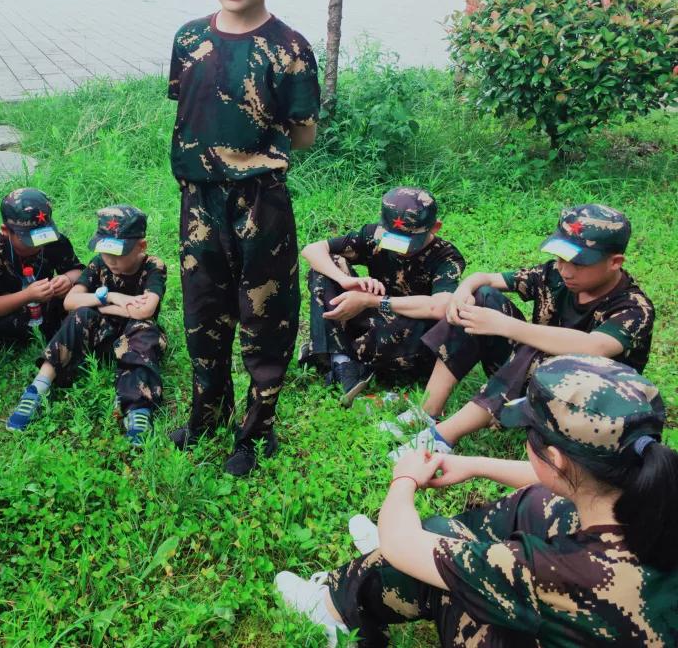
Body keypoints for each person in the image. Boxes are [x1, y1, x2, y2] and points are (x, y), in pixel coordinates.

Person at [275, 354, 678, 646]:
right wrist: (473, 465)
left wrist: (405, 479)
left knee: (435, 550)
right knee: (541, 503)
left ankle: (330, 607)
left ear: (555, 458)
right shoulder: (655, 487)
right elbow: (569, 484)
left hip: (567, 598)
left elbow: (402, 543)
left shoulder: (565, 572)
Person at [166, 0, 321, 476]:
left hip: (261, 203)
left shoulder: (289, 48)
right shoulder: (189, 38)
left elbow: (304, 135)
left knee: (266, 316)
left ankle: (256, 432)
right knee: (202, 310)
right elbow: (188, 103)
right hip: (198, 201)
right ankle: (207, 414)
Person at [389, 204, 654, 460]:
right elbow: (485, 278)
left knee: (536, 345)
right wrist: (463, 292)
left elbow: (595, 347)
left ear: (615, 262)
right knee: (480, 299)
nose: (565, 269)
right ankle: (428, 410)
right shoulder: (555, 274)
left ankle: (443, 436)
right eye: (560, 257)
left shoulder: (633, 308)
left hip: (588, 407)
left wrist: (505, 325)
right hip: (538, 380)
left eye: (579, 263)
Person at [5, 205, 167, 445]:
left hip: (135, 340)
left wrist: (100, 306)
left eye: (119, 253)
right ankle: (37, 389)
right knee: (80, 315)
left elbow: (145, 310)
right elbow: (70, 301)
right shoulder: (98, 264)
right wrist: (111, 297)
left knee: (145, 328)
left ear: (141, 246)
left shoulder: (153, 266)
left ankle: (138, 409)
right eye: (105, 251)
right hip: (100, 338)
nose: (111, 260)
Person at [299, 187, 465, 408]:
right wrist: (345, 281)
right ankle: (342, 362)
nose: (399, 247)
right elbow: (312, 250)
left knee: (437, 328)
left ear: (435, 227)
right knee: (327, 267)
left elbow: (440, 306)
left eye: (407, 241)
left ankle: (341, 353)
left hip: (407, 332)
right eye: (392, 238)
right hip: (371, 318)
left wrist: (372, 301)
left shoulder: (446, 257)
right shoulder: (375, 236)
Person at [0, 188, 82, 369]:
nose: (38, 245)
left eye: (42, 237)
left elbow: (79, 272)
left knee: (81, 306)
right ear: (6, 230)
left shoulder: (54, 242)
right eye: (29, 240)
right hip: (7, 314)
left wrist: (67, 280)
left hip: (45, 306)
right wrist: (26, 296)